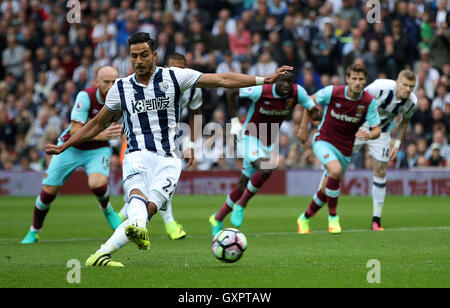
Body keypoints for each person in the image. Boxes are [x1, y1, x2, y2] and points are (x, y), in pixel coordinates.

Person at [45, 32, 293, 267]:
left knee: (148, 210)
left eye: (144, 54)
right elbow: (96, 124)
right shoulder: (120, 88)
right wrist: (65, 145)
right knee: (138, 198)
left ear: (154, 55)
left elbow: (221, 79)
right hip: (136, 153)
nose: (139, 61)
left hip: (170, 158)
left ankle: (101, 254)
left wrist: (264, 79)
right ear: (129, 57)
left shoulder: (174, 76)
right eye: (134, 56)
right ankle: (135, 228)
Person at [209, 71, 321, 236]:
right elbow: (231, 92)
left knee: (244, 182)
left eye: (288, 82)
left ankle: (217, 218)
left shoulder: (297, 93)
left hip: (269, 142)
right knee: (266, 168)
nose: (285, 86)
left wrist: (314, 115)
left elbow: (314, 110)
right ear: (276, 81)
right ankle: (241, 205)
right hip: (249, 136)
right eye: (281, 81)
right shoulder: (262, 90)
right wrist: (234, 122)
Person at [21, 66, 123, 244]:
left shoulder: (123, 99)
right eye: (106, 81)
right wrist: (101, 134)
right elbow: (76, 130)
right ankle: (34, 231)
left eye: (115, 81)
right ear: (97, 83)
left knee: (97, 184)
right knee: (49, 192)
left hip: (98, 149)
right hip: (71, 146)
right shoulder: (86, 96)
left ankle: (107, 209)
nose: (111, 85)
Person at [117, 53, 202, 240]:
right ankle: (169, 223)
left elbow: (196, 114)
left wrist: (192, 145)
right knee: (157, 180)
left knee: (160, 180)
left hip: (168, 136)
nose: (177, 71)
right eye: (174, 67)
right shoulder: (156, 83)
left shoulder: (192, 88)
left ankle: (123, 216)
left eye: (181, 67)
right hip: (142, 137)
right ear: (165, 67)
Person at [297, 63, 381, 234]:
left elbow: (377, 129)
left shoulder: (368, 102)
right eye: (354, 79)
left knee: (326, 190)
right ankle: (333, 217)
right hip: (323, 140)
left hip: (345, 149)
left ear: (365, 81)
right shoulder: (333, 92)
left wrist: (370, 135)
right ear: (348, 79)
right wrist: (303, 128)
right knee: (334, 171)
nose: (357, 82)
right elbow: (309, 101)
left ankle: (304, 218)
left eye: (361, 79)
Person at [353, 70, 417, 231]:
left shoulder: (412, 102)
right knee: (337, 164)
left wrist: (396, 145)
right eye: (405, 85)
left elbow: (404, 122)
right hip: (360, 126)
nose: (408, 89)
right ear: (397, 82)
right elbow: (357, 101)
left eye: (411, 86)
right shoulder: (379, 87)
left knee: (381, 171)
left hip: (381, 132)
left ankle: (376, 220)